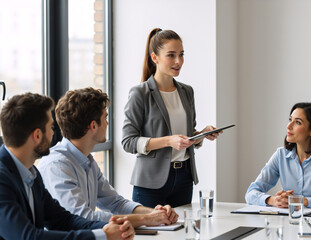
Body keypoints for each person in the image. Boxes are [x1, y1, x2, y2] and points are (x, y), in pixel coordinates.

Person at [0, 92, 134, 240]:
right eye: (51, 127)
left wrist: (112, 228)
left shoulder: (31, 174)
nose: (53, 133)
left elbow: (63, 220)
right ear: (37, 135)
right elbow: (28, 237)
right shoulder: (2, 179)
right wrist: (102, 235)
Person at [38, 88, 178, 228]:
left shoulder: (88, 161)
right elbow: (82, 217)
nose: (107, 123)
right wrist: (145, 219)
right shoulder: (57, 165)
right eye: (105, 118)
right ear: (93, 125)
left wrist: (156, 214)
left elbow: (115, 202)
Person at [121, 28, 220, 208]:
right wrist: (168, 141)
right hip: (150, 182)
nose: (178, 61)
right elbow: (128, 142)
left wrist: (202, 134)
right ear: (155, 57)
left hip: (184, 178)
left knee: (182, 233)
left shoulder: (187, 91)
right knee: (150, 235)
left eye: (181, 55)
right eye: (171, 55)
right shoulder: (140, 93)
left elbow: (186, 136)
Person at [245, 102, 311, 209]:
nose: (289, 126)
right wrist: (274, 200)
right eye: (290, 120)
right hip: (288, 221)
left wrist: (302, 201)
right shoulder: (281, 155)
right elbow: (250, 193)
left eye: (297, 122)